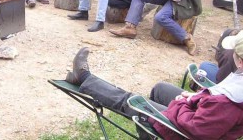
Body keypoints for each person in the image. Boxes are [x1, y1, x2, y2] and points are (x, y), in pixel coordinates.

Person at [64, 47, 243, 139]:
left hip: (186, 133)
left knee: (133, 101)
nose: (230, 54)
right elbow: (217, 99)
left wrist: (182, 103)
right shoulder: (237, 83)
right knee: (161, 89)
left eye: (234, 51)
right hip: (203, 115)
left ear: (241, 61)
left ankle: (83, 77)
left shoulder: (230, 103)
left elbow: (199, 129)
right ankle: (151, 130)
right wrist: (196, 97)